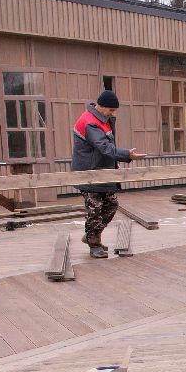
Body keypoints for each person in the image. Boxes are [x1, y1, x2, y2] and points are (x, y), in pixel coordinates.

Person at [71, 89, 146, 258]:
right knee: (94, 209)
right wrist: (127, 154)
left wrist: (115, 163)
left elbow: (105, 148)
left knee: (111, 205)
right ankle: (94, 244)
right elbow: (104, 147)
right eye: (111, 110)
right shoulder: (90, 122)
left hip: (103, 172)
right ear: (101, 106)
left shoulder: (101, 119)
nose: (112, 113)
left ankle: (92, 235)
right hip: (89, 174)